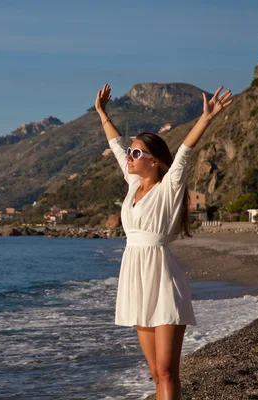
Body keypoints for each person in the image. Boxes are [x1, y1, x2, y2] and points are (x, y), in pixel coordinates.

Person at [95, 83, 233, 400]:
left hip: (161, 276)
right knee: (155, 372)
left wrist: (206, 118)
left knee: (168, 370)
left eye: (137, 152)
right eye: (131, 153)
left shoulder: (169, 186)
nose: (129, 156)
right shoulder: (132, 183)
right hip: (134, 278)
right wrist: (103, 113)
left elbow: (185, 151)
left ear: (154, 160)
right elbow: (116, 144)